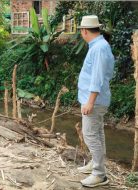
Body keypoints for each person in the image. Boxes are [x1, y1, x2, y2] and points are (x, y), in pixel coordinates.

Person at [77, 15, 115, 187]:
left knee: (90, 135)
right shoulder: (100, 45)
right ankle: (96, 162)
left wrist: (90, 102)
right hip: (97, 99)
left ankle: (99, 174)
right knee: (98, 133)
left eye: (81, 31)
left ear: (84, 31)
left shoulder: (98, 48)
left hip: (95, 101)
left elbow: (97, 78)